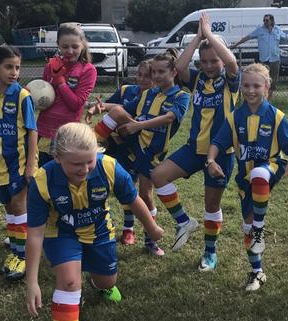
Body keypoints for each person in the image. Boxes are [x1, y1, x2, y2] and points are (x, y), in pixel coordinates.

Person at [26, 123, 164, 321]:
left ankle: (97, 281)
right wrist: (32, 282)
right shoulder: (42, 181)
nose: (84, 169)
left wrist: (152, 228)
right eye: (76, 164)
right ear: (57, 158)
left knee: (106, 282)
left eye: (89, 161)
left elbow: (133, 200)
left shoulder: (109, 167)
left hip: (100, 231)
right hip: (61, 233)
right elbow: (35, 234)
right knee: (69, 282)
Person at [150, 13, 240, 271]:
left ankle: (210, 252)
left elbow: (231, 61)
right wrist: (199, 37)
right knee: (158, 176)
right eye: (205, 61)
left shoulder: (230, 81)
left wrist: (210, 35)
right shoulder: (199, 79)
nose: (210, 65)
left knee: (211, 205)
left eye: (214, 61)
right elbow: (178, 67)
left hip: (222, 153)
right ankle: (183, 221)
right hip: (194, 149)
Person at [207, 63, 288, 291]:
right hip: (245, 179)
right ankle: (257, 272)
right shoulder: (234, 117)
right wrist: (210, 161)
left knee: (259, 173)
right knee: (247, 226)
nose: (250, 90)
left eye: (256, 85)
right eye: (246, 85)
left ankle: (260, 229)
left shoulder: (277, 116)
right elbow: (218, 142)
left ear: (267, 87)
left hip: (271, 167)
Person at [93, 50, 189, 257]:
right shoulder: (148, 93)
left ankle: (150, 240)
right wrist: (100, 108)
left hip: (152, 152)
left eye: (161, 71)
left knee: (145, 195)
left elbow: (169, 118)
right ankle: (91, 145)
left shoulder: (182, 96)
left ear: (174, 72)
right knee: (117, 114)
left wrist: (138, 126)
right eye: (153, 72)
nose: (156, 76)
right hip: (133, 144)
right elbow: (122, 108)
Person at [0, 46, 38, 281]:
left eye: (17, 67)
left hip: (19, 162)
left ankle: (23, 257)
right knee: (10, 207)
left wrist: (30, 165)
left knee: (19, 205)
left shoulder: (22, 96)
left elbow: (32, 132)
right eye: (9, 67)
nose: (14, 72)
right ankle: (15, 249)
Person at [86, 59, 153, 247]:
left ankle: (128, 230)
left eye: (147, 76)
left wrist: (114, 112)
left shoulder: (154, 98)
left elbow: (118, 111)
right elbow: (109, 105)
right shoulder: (127, 90)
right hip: (113, 143)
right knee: (98, 182)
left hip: (133, 146)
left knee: (128, 187)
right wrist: (97, 107)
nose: (142, 79)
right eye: (139, 74)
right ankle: (96, 224)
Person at [37, 22, 96, 166]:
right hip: (43, 131)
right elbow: (44, 98)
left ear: (82, 45)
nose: (70, 51)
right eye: (64, 47)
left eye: (75, 46)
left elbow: (75, 104)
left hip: (67, 134)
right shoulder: (50, 66)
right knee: (43, 177)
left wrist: (60, 81)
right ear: (58, 45)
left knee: (64, 179)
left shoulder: (88, 70)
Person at [231, 13, 288, 100]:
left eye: (267, 20)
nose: (265, 22)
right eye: (264, 20)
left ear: (271, 21)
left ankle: (269, 101)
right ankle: (263, 99)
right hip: (264, 59)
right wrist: (236, 45)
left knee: (273, 80)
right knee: (262, 79)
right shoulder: (259, 30)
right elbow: (247, 37)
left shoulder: (277, 29)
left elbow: (286, 37)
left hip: (275, 59)